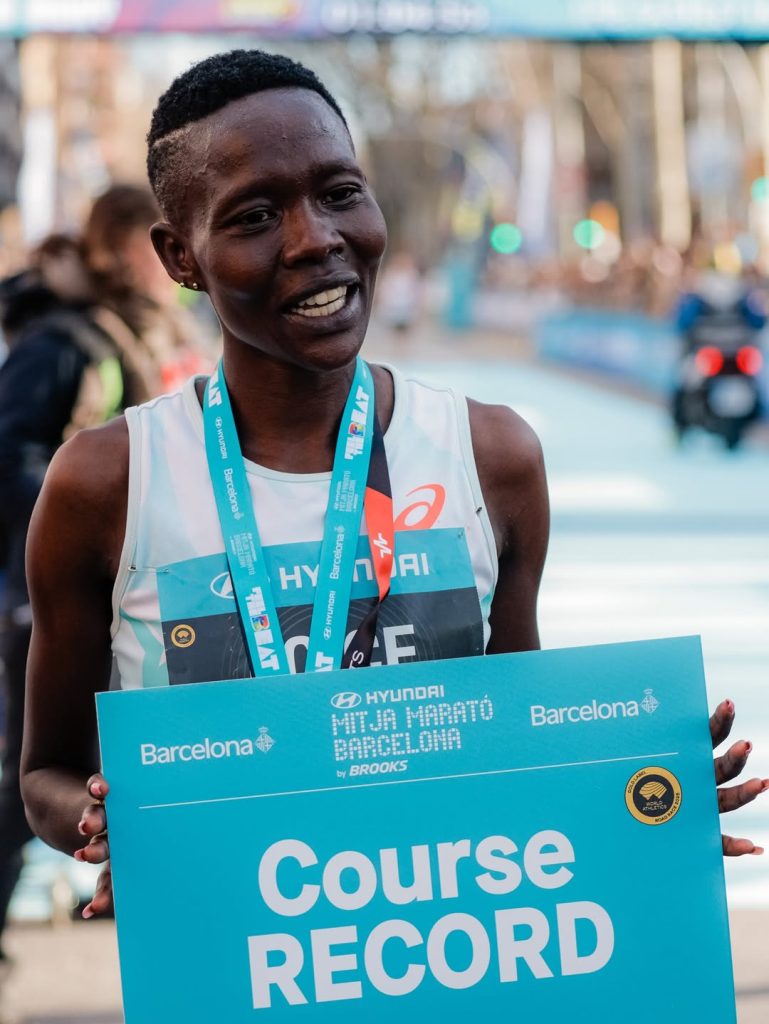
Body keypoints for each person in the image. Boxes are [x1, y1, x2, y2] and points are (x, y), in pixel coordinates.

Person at [18, 50, 766, 924]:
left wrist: (636, 802)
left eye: (339, 192)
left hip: (446, 964)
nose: (313, 239)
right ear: (180, 256)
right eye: (256, 215)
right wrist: (108, 821)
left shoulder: (491, 455)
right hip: (231, 965)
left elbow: (508, 747)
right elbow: (44, 777)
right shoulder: (107, 481)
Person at [0, 185, 207, 961]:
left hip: (159, 600)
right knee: (34, 783)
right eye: (152, 243)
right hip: (62, 601)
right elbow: (9, 456)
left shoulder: (164, 326)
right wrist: (93, 512)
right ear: (123, 249)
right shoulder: (65, 341)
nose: (169, 259)